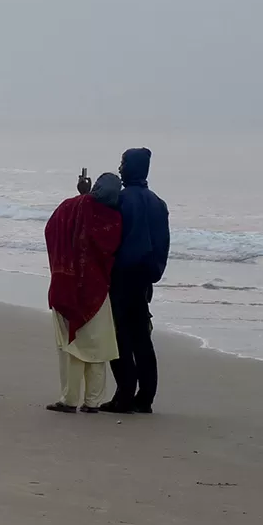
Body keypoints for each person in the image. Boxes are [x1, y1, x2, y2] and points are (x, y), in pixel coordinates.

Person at [44, 173, 123, 413]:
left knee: (71, 345)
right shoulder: (114, 219)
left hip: (64, 287)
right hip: (97, 292)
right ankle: (93, 402)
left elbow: (51, 229)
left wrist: (82, 195)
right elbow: (111, 250)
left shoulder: (69, 207)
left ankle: (69, 399)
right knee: (97, 348)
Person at [101, 148, 170, 415]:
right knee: (142, 337)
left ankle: (125, 395)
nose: (119, 169)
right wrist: (154, 272)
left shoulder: (119, 200)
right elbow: (163, 244)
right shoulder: (158, 203)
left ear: (131, 167)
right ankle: (146, 398)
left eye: (122, 163)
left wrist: (84, 195)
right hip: (145, 278)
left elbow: (104, 231)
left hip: (121, 276)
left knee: (118, 337)